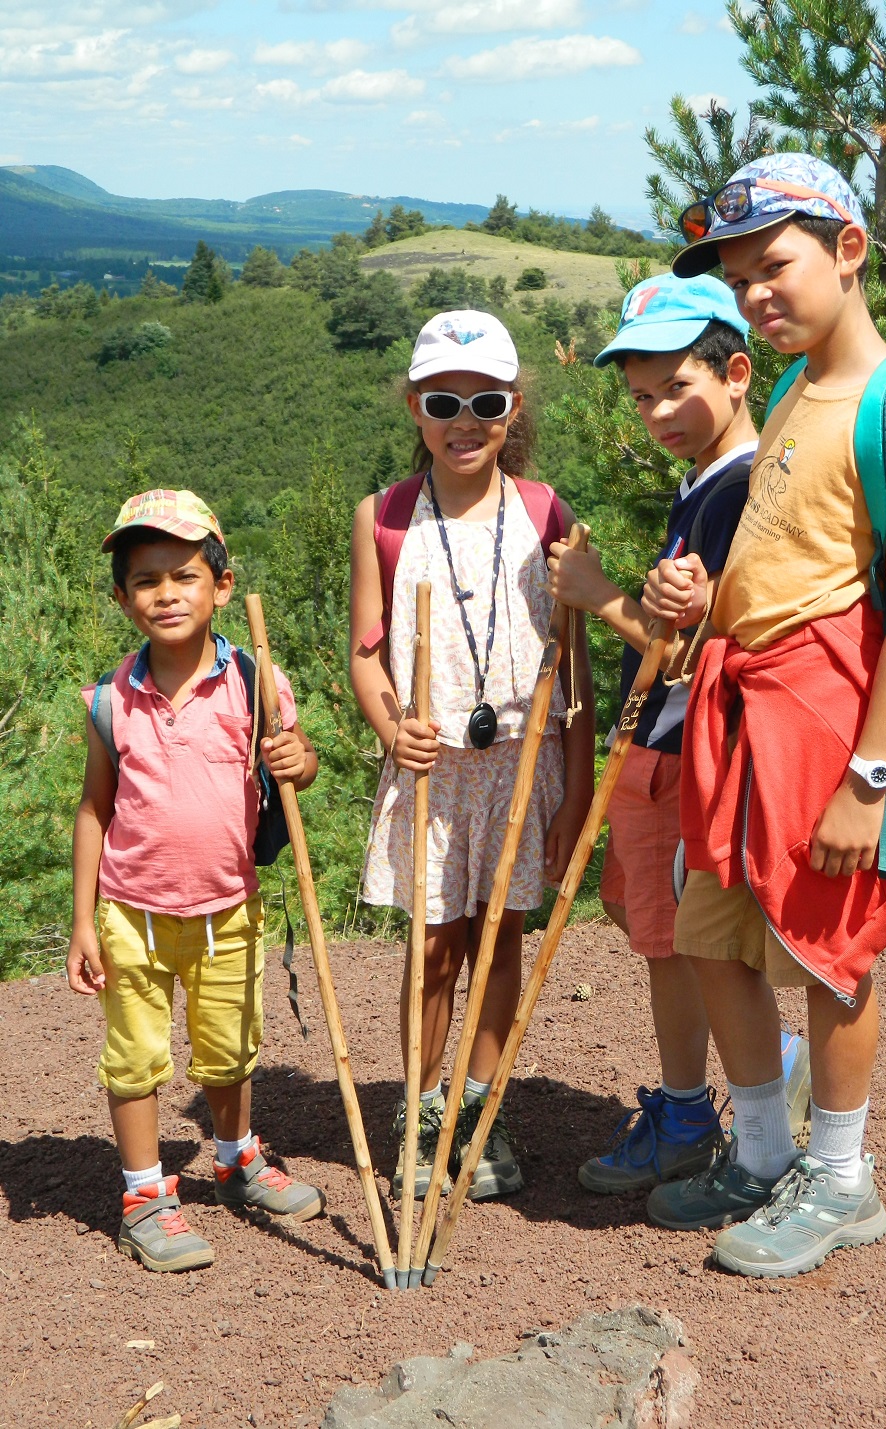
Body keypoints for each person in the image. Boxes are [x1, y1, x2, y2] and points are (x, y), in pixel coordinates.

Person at [641, 154, 886, 1276]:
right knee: (716, 936)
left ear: (846, 248)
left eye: (772, 266)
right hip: (743, 713)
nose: (756, 296)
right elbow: (775, 553)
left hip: (826, 726)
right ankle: (764, 1147)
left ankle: (839, 1178)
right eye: (738, 281)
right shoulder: (787, 388)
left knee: (829, 956)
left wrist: (867, 777)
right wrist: (697, 597)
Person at [546, 273, 809, 1196]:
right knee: (640, 911)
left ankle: (689, 1109)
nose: (656, 410)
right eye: (641, 395)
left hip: (680, 749)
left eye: (676, 388)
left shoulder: (735, 492)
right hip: (663, 749)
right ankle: (761, 1052)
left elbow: (697, 652)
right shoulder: (706, 483)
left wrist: (597, 595)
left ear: (737, 373)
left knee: (669, 940)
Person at [350, 310, 594, 1201]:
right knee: (433, 948)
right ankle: (421, 1115)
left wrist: (579, 786)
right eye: (444, 401)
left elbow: (573, 662)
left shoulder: (545, 513)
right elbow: (366, 653)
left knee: (499, 944)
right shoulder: (381, 517)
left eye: (484, 401)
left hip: (523, 770)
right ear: (415, 406)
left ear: (512, 407)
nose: (464, 420)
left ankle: (477, 1113)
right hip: (431, 770)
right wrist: (389, 725)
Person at [67, 489, 324, 1273]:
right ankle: (145, 1196)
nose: (166, 594)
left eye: (184, 575)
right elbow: (93, 809)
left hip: (228, 908)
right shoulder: (114, 700)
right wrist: (83, 920)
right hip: (132, 915)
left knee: (229, 1048)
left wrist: (299, 760)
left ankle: (234, 1156)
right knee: (135, 1058)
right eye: (146, 580)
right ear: (122, 598)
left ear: (220, 582)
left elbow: (297, 760)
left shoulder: (253, 681)